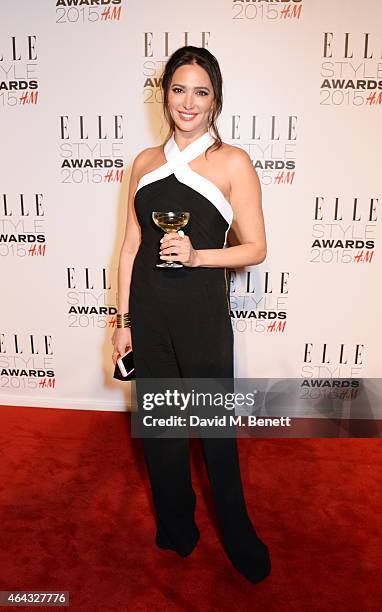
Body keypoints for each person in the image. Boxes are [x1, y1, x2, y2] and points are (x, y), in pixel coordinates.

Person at [112, 45, 270, 585]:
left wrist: (200, 255)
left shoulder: (231, 162)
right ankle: (177, 528)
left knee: (213, 434)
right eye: (178, 89)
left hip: (202, 317)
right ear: (165, 95)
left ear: (215, 101)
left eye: (200, 91)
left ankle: (238, 535)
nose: (188, 101)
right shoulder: (144, 163)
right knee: (161, 432)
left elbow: (256, 248)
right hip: (149, 315)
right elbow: (131, 245)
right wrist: (121, 321)